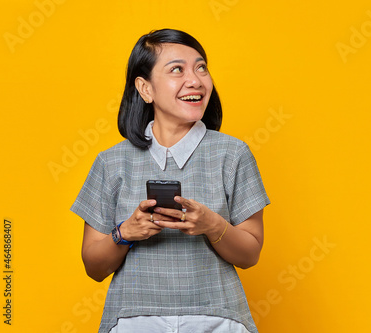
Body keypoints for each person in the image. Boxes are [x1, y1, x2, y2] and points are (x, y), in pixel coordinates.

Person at [71, 28, 270, 333]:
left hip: (217, 321)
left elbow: (250, 254)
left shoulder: (233, 153)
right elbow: (94, 267)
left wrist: (212, 225)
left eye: (201, 67)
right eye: (177, 69)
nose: (196, 80)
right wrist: (125, 232)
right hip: (134, 322)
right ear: (145, 88)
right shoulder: (111, 162)